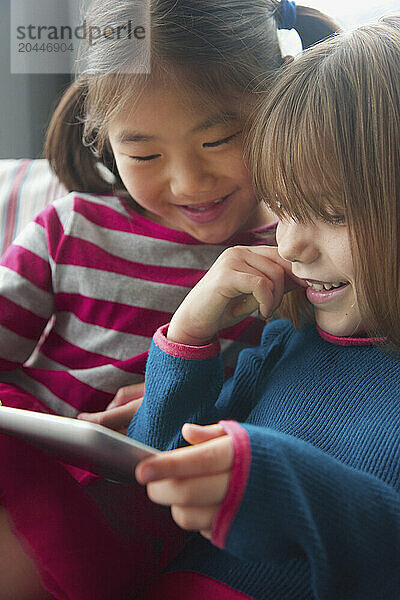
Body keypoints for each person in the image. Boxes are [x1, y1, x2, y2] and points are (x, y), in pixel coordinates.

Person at [0, 1, 339, 598]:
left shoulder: (301, 258)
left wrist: (188, 397)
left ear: (279, 110)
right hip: (29, 475)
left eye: (219, 139)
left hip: (155, 509)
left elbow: (298, 413)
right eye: (145, 155)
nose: (188, 183)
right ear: (105, 141)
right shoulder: (72, 227)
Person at [128, 15, 400, 599]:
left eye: (331, 211)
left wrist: (285, 484)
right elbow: (151, 483)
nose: (292, 246)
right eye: (284, 209)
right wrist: (187, 341)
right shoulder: (283, 345)